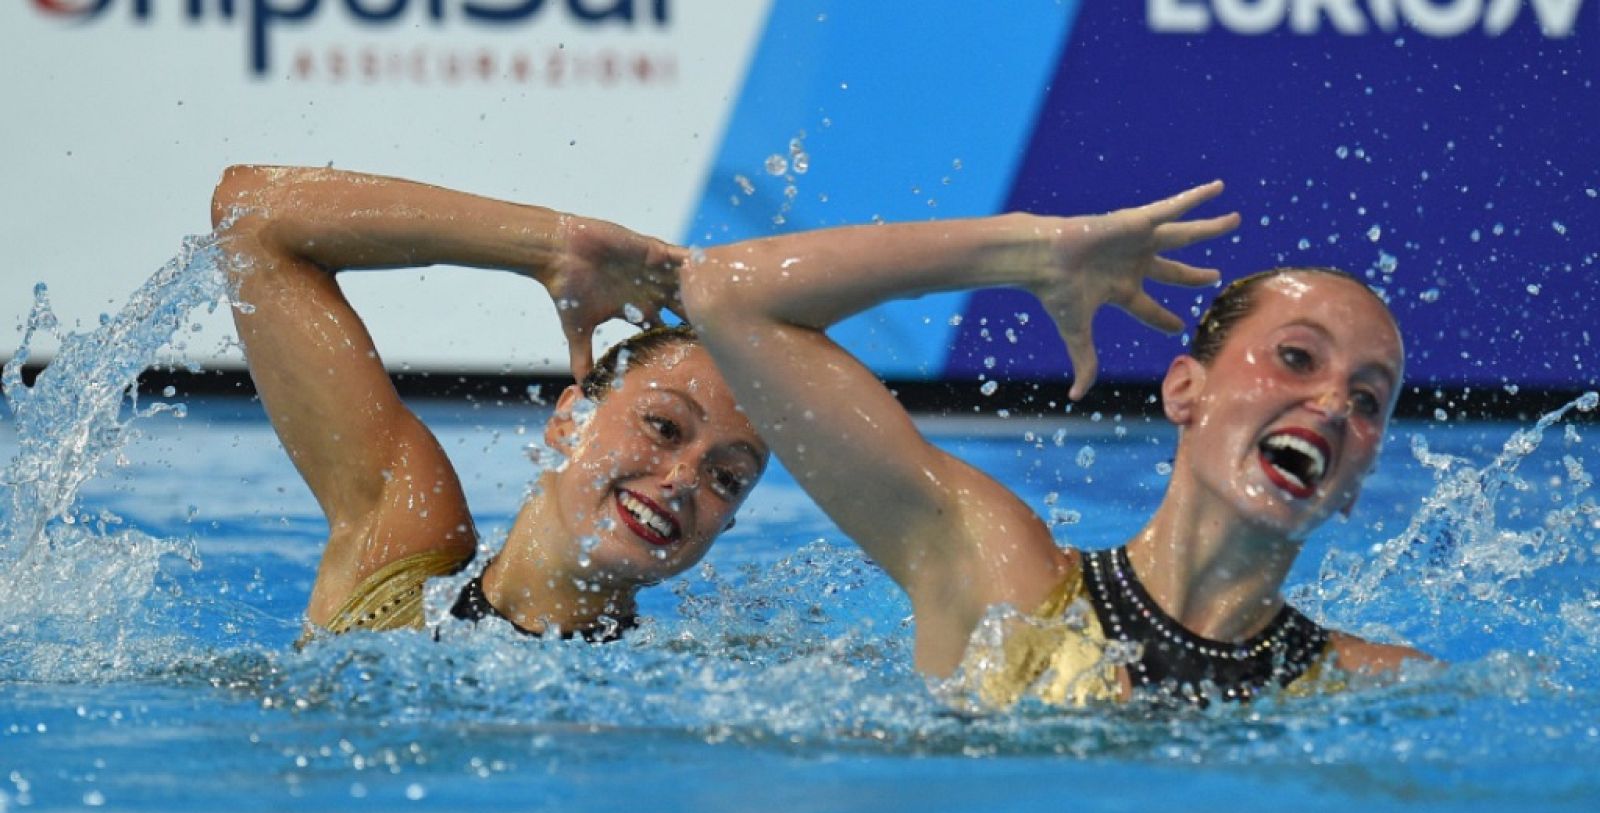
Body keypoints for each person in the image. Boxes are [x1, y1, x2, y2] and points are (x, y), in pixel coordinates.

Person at [680, 181, 1428, 706]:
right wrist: (1026, 252)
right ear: (1184, 391)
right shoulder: (1007, 587)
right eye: (1296, 358)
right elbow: (727, 297)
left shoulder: (1377, 686)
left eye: (1367, 400)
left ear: (1357, 479)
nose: (1332, 403)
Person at [210, 166, 768, 643]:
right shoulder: (399, 558)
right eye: (664, 427)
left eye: (727, 477)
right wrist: (549, 247)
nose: (683, 478)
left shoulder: (694, 685)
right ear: (570, 419)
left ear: (731, 523)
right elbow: (253, 218)